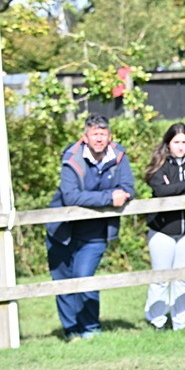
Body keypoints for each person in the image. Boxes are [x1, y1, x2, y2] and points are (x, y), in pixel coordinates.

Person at [45, 114, 135, 341]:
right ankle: (71, 331)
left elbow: (127, 188)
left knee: (84, 277)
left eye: (103, 134)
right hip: (62, 230)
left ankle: (91, 328)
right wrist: (107, 197)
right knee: (64, 282)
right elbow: (71, 195)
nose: (99, 139)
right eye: (95, 134)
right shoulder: (72, 158)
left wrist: (122, 195)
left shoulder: (119, 156)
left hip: (95, 232)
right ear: (85, 137)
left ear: (109, 136)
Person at [143, 123, 185, 331]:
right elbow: (160, 192)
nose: (180, 146)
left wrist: (177, 188)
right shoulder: (159, 167)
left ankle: (182, 320)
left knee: (184, 278)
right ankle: (157, 319)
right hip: (161, 231)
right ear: (168, 143)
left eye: (184, 142)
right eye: (176, 142)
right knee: (161, 278)